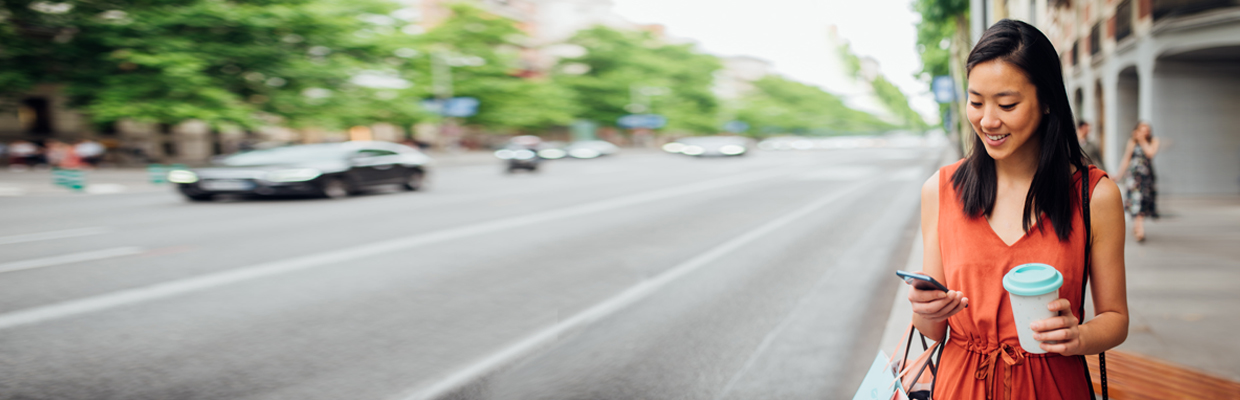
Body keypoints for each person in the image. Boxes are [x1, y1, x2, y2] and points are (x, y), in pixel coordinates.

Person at [908, 19, 1128, 399]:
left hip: (1054, 386)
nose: (988, 120)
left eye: (1007, 104)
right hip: (960, 386)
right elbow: (932, 331)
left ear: (1046, 101)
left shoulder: (1096, 196)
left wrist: (1078, 336)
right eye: (976, 102)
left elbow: (1116, 319)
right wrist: (925, 308)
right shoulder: (940, 190)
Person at [1116, 122, 1159, 242]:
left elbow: (1150, 153)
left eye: (1147, 130)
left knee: (1143, 202)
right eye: (1142, 130)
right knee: (1136, 201)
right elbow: (1126, 158)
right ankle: (1140, 230)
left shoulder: (1153, 141)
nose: (1144, 132)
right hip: (1133, 178)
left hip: (1146, 178)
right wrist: (1119, 175)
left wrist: (1142, 140)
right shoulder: (1132, 142)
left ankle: (1137, 226)